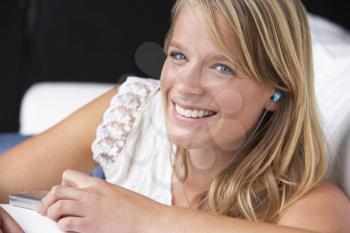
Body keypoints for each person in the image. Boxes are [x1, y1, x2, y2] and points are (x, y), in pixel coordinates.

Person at [0, 0, 349, 232]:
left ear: (276, 91)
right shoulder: (135, 108)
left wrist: (141, 219)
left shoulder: (308, 202)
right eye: (179, 56)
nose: (186, 86)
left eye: (222, 67)